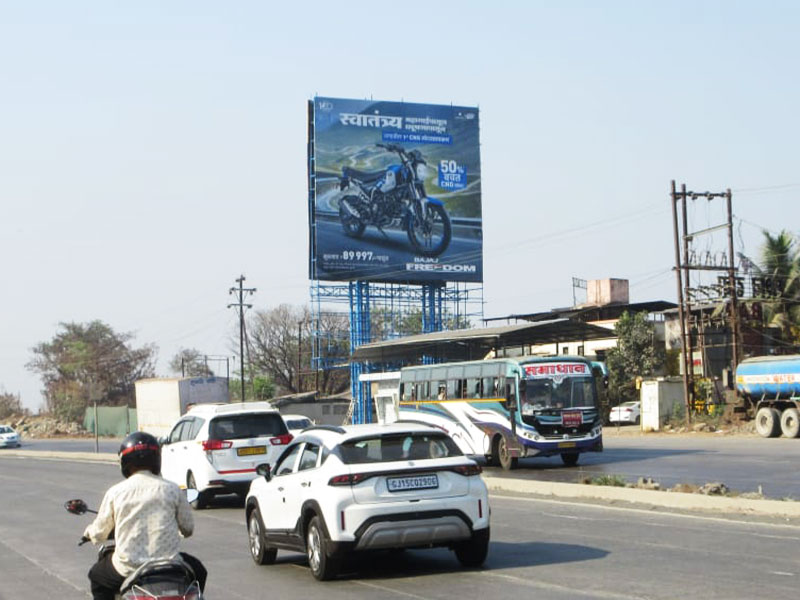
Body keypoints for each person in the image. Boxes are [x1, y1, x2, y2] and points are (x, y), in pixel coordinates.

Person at [83, 431, 207, 600]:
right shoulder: (172, 489)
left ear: (125, 462)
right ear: (157, 459)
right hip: (171, 566)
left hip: (128, 567)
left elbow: (100, 533)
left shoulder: (116, 492)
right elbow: (188, 528)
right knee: (199, 571)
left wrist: (89, 533)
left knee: (97, 577)